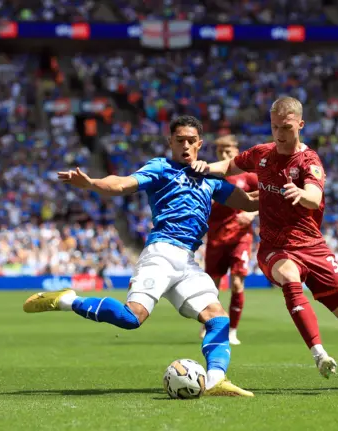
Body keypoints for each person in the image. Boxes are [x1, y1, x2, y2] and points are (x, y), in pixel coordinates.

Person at [23, 115, 256, 397]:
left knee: (217, 318)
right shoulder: (161, 168)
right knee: (131, 318)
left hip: (188, 262)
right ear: (169, 141)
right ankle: (68, 300)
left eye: (191, 141)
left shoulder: (209, 179)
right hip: (161, 253)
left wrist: (284, 189)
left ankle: (216, 378)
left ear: (200, 144)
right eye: (179, 140)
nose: (185, 146)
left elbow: (250, 200)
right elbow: (122, 184)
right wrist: (93, 184)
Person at [192, 97, 338, 389]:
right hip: (275, 248)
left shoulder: (309, 161)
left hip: (313, 247)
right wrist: (204, 167)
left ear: (300, 125)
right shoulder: (261, 154)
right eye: (275, 126)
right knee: (289, 276)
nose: (279, 133)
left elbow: (314, 196)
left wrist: (301, 194)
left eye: (286, 127)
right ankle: (319, 353)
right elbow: (230, 165)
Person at [200, 135, 258, 345]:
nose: (224, 155)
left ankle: (232, 330)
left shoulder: (248, 177)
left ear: (236, 151)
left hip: (240, 238)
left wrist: (251, 214)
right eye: (220, 151)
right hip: (216, 239)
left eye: (228, 151)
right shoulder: (211, 176)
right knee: (211, 286)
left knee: (236, 283)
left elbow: (268, 196)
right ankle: (210, 324)